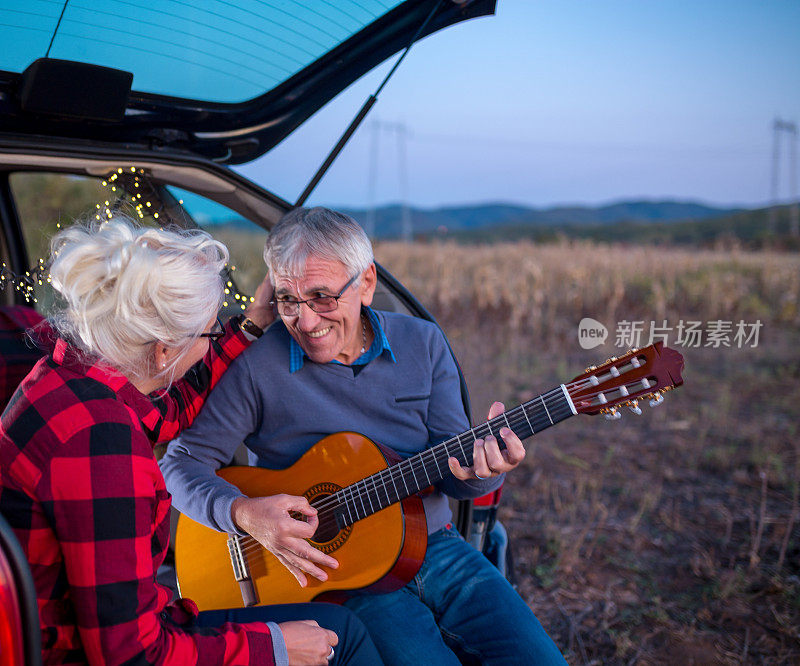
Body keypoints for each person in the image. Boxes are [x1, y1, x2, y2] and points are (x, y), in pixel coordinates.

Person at [160, 207, 567, 665]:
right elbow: (179, 464)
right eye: (289, 300)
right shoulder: (258, 365)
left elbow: (458, 473)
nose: (306, 322)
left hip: (435, 544)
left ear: (366, 283)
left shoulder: (424, 343)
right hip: (337, 573)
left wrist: (485, 472)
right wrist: (244, 514)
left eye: (322, 297)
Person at [0, 217, 382, 665]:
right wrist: (276, 647)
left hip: (77, 632)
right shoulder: (101, 443)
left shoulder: (67, 376)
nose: (212, 338)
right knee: (343, 636)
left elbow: (167, 412)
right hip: (81, 654)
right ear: (163, 351)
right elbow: (134, 656)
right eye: (208, 331)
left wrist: (251, 324)